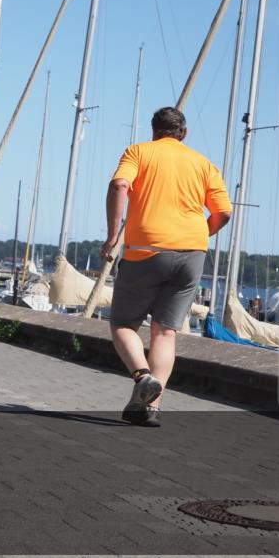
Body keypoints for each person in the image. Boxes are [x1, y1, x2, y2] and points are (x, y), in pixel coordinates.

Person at [100, 107, 231, 428]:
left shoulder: (139, 152)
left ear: (154, 130)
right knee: (166, 332)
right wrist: (200, 232)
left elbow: (120, 186)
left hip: (146, 249)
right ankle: (149, 408)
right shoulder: (203, 164)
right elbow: (224, 212)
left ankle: (142, 376)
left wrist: (112, 236)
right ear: (183, 133)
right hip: (192, 252)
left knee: (123, 325)